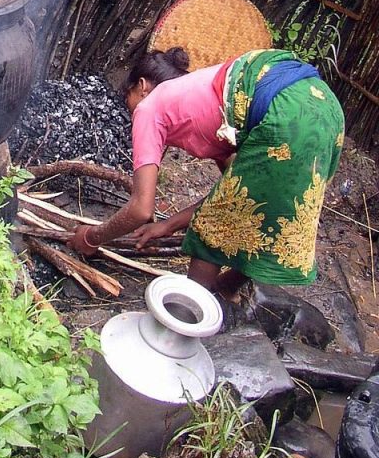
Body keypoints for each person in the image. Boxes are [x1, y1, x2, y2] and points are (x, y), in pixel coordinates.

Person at [69, 47, 345, 300]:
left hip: (287, 118)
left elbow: (142, 209)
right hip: (324, 109)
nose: (130, 108)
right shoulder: (200, 100)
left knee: (211, 229)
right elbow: (236, 188)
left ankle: (187, 310)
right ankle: (223, 291)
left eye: (126, 97)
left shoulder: (148, 107)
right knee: (272, 215)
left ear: (141, 87)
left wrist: (92, 238)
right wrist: (168, 225)